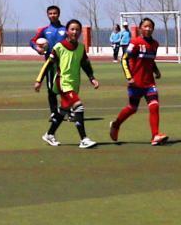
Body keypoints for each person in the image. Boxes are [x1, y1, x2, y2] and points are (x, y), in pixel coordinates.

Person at [34, 19, 99, 148]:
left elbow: (85, 64)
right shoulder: (59, 47)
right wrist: (39, 80)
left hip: (74, 84)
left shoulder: (81, 48)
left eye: (77, 30)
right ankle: (84, 139)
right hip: (62, 82)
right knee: (78, 107)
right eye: (72, 29)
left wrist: (92, 78)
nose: (75, 32)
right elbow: (48, 65)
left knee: (63, 110)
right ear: (67, 31)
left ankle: (49, 134)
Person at [109, 17, 169, 146]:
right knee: (132, 108)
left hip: (149, 83)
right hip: (136, 83)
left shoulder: (155, 44)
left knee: (154, 105)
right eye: (145, 26)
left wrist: (156, 71)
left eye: (150, 27)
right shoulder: (135, 42)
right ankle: (116, 124)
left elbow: (150, 60)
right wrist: (129, 77)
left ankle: (155, 136)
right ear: (140, 28)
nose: (148, 29)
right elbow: (124, 59)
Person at [29, 5, 68, 126]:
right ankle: (54, 113)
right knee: (51, 89)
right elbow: (32, 41)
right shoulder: (45, 30)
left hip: (64, 63)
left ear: (59, 14)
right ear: (47, 15)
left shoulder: (65, 29)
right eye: (50, 13)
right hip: (50, 63)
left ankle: (68, 111)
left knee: (66, 87)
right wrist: (38, 48)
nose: (52, 15)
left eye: (54, 13)